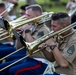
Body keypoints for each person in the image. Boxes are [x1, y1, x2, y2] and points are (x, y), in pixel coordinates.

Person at [0, 4, 52, 75]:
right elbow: (18, 48)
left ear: (36, 16)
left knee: (13, 71)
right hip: (28, 59)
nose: (25, 18)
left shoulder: (44, 30)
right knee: (2, 67)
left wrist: (27, 31)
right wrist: (19, 35)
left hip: (39, 61)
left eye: (28, 15)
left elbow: (33, 47)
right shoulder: (30, 27)